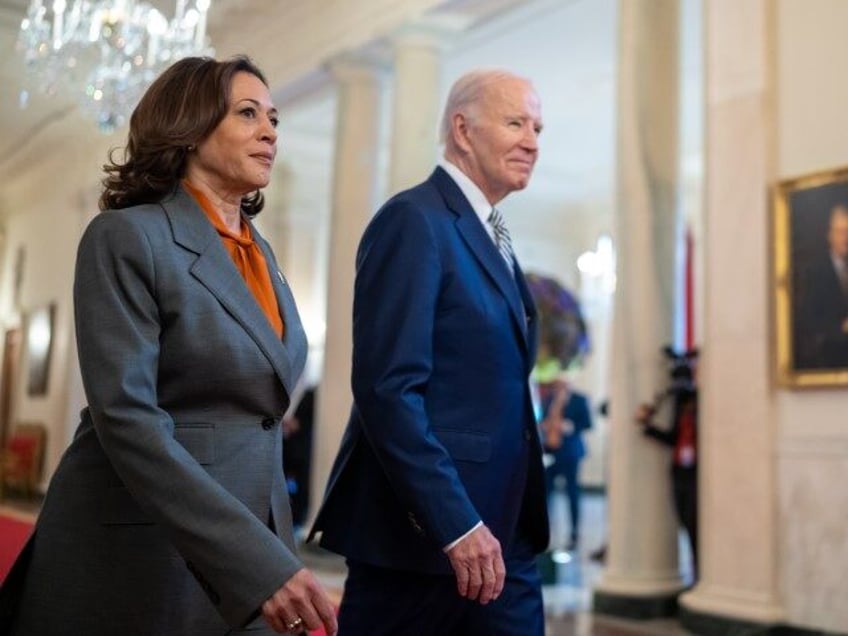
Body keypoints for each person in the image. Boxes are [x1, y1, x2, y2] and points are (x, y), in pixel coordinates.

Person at [0, 56, 337, 636]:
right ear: (190, 127)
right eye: (248, 113)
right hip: (147, 540)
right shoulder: (127, 235)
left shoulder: (262, 254)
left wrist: (268, 550)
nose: (271, 132)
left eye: (275, 119)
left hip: (255, 529)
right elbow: (127, 418)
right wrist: (256, 564)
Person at [309, 69, 549, 635]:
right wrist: (455, 523)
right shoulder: (414, 219)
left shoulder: (493, 234)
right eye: (516, 122)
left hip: (506, 535)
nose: (534, 140)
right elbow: (386, 388)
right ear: (462, 130)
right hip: (425, 543)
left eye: (538, 127)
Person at [635, 347, 699, 579]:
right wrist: (648, 427)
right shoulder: (679, 404)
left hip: (697, 474)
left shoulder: (702, 403)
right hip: (679, 471)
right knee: (683, 520)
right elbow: (673, 437)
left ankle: (698, 573)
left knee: (695, 526)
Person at [539, 375, 593, 551]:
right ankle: (545, 534)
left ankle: (574, 534)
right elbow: (541, 419)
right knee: (547, 495)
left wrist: (569, 426)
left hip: (570, 453)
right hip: (551, 452)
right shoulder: (548, 399)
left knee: (572, 493)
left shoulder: (579, 399)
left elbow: (587, 423)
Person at [793, 203, 848, 369]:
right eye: (841, 232)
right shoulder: (815, 272)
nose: (846, 238)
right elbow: (808, 321)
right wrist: (842, 329)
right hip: (828, 360)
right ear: (829, 235)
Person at [282, 386, 316, 531]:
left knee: (300, 489)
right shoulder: (296, 392)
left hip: (302, 452)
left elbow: (303, 424)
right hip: (288, 450)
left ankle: (299, 521)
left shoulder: (313, 394)